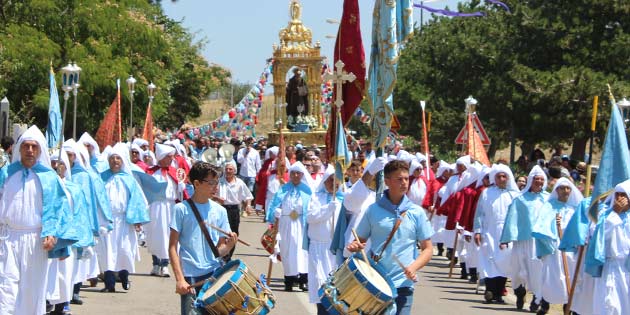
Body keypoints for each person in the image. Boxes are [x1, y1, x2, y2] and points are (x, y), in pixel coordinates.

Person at [0, 125, 77, 314]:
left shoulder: (49, 178)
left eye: (34, 147)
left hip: (36, 241)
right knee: (6, 287)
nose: (30, 150)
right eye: (26, 146)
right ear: (19, 149)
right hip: (8, 239)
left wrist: (54, 236)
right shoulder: (6, 173)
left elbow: (59, 210)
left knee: (33, 288)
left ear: (40, 150)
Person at [347, 160, 434, 315]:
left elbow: (428, 249)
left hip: (403, 285)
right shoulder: (373, 210)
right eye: (399, 179)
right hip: (375, 282)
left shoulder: (416, 212)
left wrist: (413, 267)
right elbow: (359, 241)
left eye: (406, 179)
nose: (404, 183)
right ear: (387, 182)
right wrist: (355, 246)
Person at [169, 162, 238, 315]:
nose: (216, 187)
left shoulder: (220, 211)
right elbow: (172, 247)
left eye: (217, 182)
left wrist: (229, 246)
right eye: (211, 182)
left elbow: (219, 251)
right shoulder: (181, 209)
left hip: (214, 274)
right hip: (190, 275)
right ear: (197, 183)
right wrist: (180, 279)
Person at [99, 142, 150, 292]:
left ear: (122, 161)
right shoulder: (102, 179)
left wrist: (137, 220)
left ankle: (124, 277)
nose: (115, 161)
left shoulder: (129, 180)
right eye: (112, 158)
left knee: (123, 249)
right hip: (107, 220)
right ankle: (109, 284)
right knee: (108, 251)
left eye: (118, 158)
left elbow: (138, 201)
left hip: (124, 221)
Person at [499, 165, 548, 311]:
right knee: (518, 270)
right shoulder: (519, 199)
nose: (539, 182)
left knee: (538, 271)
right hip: (522, 240)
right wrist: (506, 238)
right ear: (530, 181)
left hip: (540, 242)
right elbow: (512, 219)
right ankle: (520, 293)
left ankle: (537, 298)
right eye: (536, 179)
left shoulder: (548, 199)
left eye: (541, 179)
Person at [531, 177, 581, 315]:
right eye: (562, 188)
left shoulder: (575, 208)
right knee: (551, 277)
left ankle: (569, 307)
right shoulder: (549, 206)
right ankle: (545, 304)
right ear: (556, 190)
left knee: (570, 277)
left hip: (571, 248)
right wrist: (550, 239)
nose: (565, 191)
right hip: (554, 247)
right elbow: (541, 226)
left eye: (568, 188)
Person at [473, 164, 519, 304]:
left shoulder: (514, 195)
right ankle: (489, 290)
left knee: (504, 263)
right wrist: (478, 231)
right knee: (489, 260)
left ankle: (499, 293)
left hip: (507, 234)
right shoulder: (486, 193)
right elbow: (479, 214)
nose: (501, 178)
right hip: (490, 232)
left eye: (504, 176)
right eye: (498, 176)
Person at [584, 180, 630, 315]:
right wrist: (614, 213)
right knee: (609, 305)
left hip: (627, 267)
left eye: (624, 195)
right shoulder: (605, 215)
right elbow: (599, 236)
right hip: (610, 267)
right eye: (617, 195)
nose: (620, 198)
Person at [266, 162, 313, 291]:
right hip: (286, 224)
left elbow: (312, 206)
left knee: (302, 252)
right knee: (287, 252)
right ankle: (289, 280)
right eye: (293, 173)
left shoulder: (307, 190)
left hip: (301, 224)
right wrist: (276, 213)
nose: (295, 175)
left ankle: (303, 279)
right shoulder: (283, 189)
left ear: (302, 175)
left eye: (298, 173)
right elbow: (275, 203)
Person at [145, 143, 188, 277]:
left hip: (170, 207)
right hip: (154, 206)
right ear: (162, 157)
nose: (172, 159)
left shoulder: (174, 172)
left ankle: (165, 264)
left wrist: (182, 189)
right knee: (154, 235)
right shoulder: (150, 172)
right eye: (169, 157)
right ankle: (155, 264)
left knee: (168, 235)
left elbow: (183, 194)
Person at [307, 166, 342, 314]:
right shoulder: (316, 197)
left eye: (336, 181)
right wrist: (327, 209)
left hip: (335, 250)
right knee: (320, 284)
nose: (333, 184)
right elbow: (310, 217)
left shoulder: (344, 199)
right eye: (330, 180)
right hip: (318, 249)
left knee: (335, 287)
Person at [216, 160, 253, 261]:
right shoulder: (219, 181)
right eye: (226, 169)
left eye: (230, 169)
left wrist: (248, 205)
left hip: (234, 210)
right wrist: (217, 198)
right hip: (221, 209)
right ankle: (223, 255)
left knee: (234, 233)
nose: (228, 171)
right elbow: (210, 194)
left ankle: (228, 256)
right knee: (222, 233)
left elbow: (248, 196)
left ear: (234, 171)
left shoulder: (240, 183)